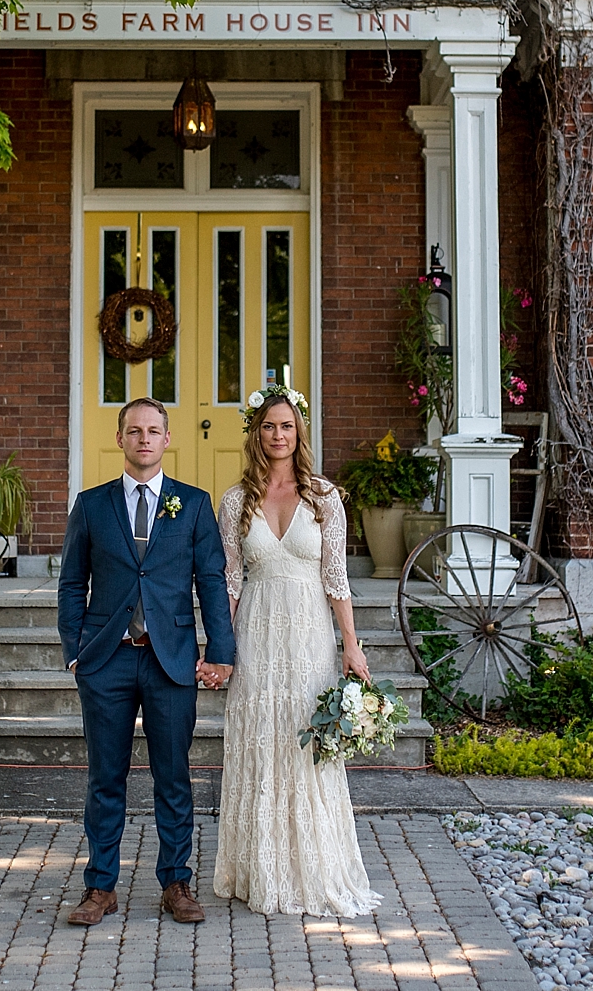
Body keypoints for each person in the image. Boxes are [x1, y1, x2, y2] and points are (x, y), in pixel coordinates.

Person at [57, 397, 237, 927]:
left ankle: (176, 882)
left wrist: (220, 652)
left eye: (153, 431)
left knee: (174, 776)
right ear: (120, 439)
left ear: (166, 439)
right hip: (106, 659)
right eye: (133, 431)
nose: (143, 439)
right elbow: (71, 584)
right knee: (104, 777)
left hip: (171, 660)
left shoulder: (194, 504)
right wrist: (75, 651)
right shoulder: (91, 505)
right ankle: (100, 887)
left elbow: (211, 582)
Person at [212, 383, 382, 917]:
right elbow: (230, 582)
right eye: (268, 426)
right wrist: (220, 647)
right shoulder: (235, 501)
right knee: (261, 745)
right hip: (257, 640)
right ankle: (257, 870)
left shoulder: (325, 497)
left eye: (286, 425)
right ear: (256, 434)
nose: (277, 434)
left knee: (306, 745)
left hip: (309, 639)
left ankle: (314, 869)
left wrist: (351, 645)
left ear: (298, 432)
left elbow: (337, 579)